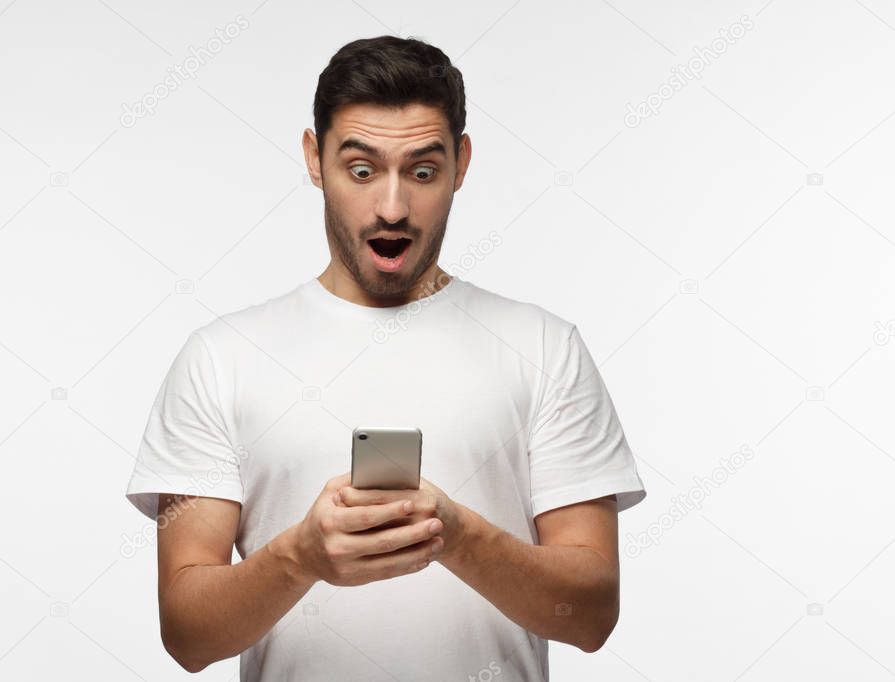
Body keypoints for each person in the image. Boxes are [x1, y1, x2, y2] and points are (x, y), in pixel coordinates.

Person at [125, 34, 646, 681]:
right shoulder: (220, 359)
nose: (392, 207)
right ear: (315, 159)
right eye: (362, 169)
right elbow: (188, 636)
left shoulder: (544, 347)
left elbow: (590, 617)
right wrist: (300, 558)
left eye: (422, 171)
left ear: (460, 162)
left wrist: (455, 536)